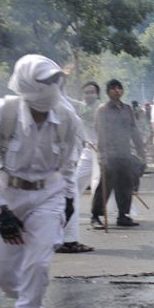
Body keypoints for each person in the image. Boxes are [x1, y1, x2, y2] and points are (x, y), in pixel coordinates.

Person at [0, 54, 82, 308]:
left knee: (38, 261)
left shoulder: (68, 117)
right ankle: (25, 298)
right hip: (7, 190)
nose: (52, 86)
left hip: (48, 194)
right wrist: (1, 211)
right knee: (1, 269)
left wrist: (69, 200)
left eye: (55, 80)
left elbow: (69, 167)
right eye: (45, 81)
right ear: (25, 83)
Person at [90, 79, 146, 228]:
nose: (116, 90)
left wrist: (141, 151)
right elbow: (100, 133)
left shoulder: (127, 109)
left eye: (119, 88)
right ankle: (96, 216)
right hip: (109, 154)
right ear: (108, 92)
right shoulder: (103, 110)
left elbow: (134, 131)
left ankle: (123, 216)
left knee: (126, 186)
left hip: (124, 153)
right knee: (105, 187)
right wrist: (102, 155)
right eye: (113, 88)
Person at [56, 81, 101, 253]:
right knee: (69, 195)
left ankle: (64, 239)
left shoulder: (57, 102)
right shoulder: (59, 104)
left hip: (74, 155)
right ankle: (67, 240)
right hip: (60, 162)